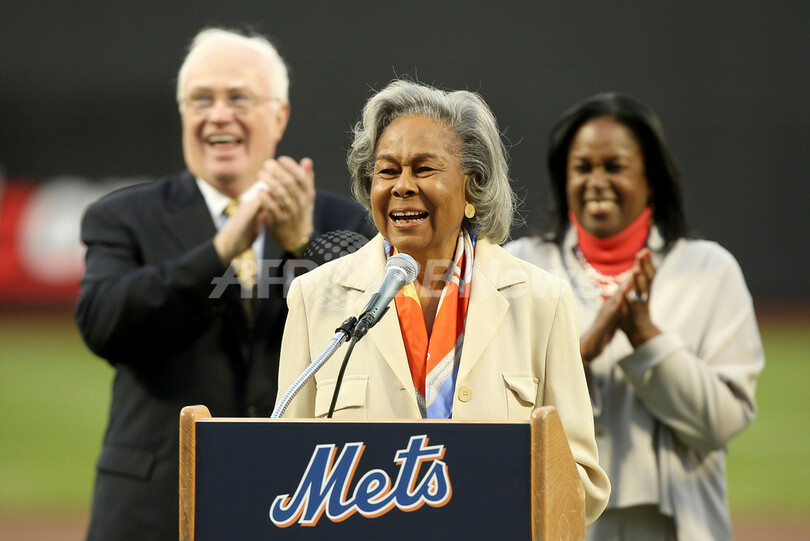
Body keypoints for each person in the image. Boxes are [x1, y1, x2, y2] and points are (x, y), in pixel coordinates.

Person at [75, 27, 375, 540]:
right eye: (201, 99)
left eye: (238, 97)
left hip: (295, 498)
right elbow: (104, 324)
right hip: (153, 509)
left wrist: (303, 247)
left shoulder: (342, 222)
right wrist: (219, 251)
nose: (217, 114)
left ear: (279, 116)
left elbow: (370, 340)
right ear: (183, 113)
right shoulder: (123, 216)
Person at [276, 79, 611, 524]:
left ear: (473, 187)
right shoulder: (314, 297)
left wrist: (479, 493)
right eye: (387, 171)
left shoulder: (541, 301)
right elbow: (286, 468)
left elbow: (582, 486)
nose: (402, 186)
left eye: (424, 169)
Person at [505, 92, 765, 540]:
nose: (596, 181)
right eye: (582, 167)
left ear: (651, 179)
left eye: (615, 166)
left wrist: (647, 337)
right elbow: (495, 408)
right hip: (557, 517)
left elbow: (722, 423)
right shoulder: (521, 266)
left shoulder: (710, 269)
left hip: (679, 525)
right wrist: (578, 355)